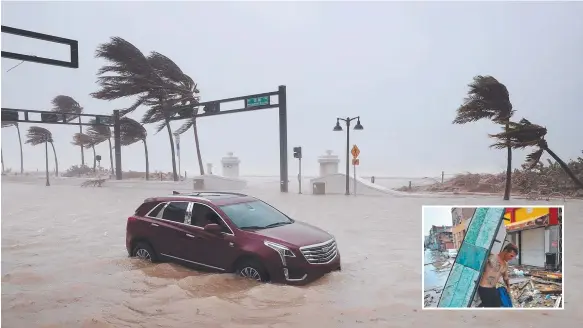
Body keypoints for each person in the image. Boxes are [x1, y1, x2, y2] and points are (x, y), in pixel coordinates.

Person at [477, 243, 518, 307]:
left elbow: (505, 278)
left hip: (493, 288)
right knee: (490, 307)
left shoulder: (505, 264)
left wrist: (508, 287)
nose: (511, 259)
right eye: (511, 256)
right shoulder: (491, 257)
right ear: (505, 251)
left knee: (498, 305)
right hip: (484, 288)